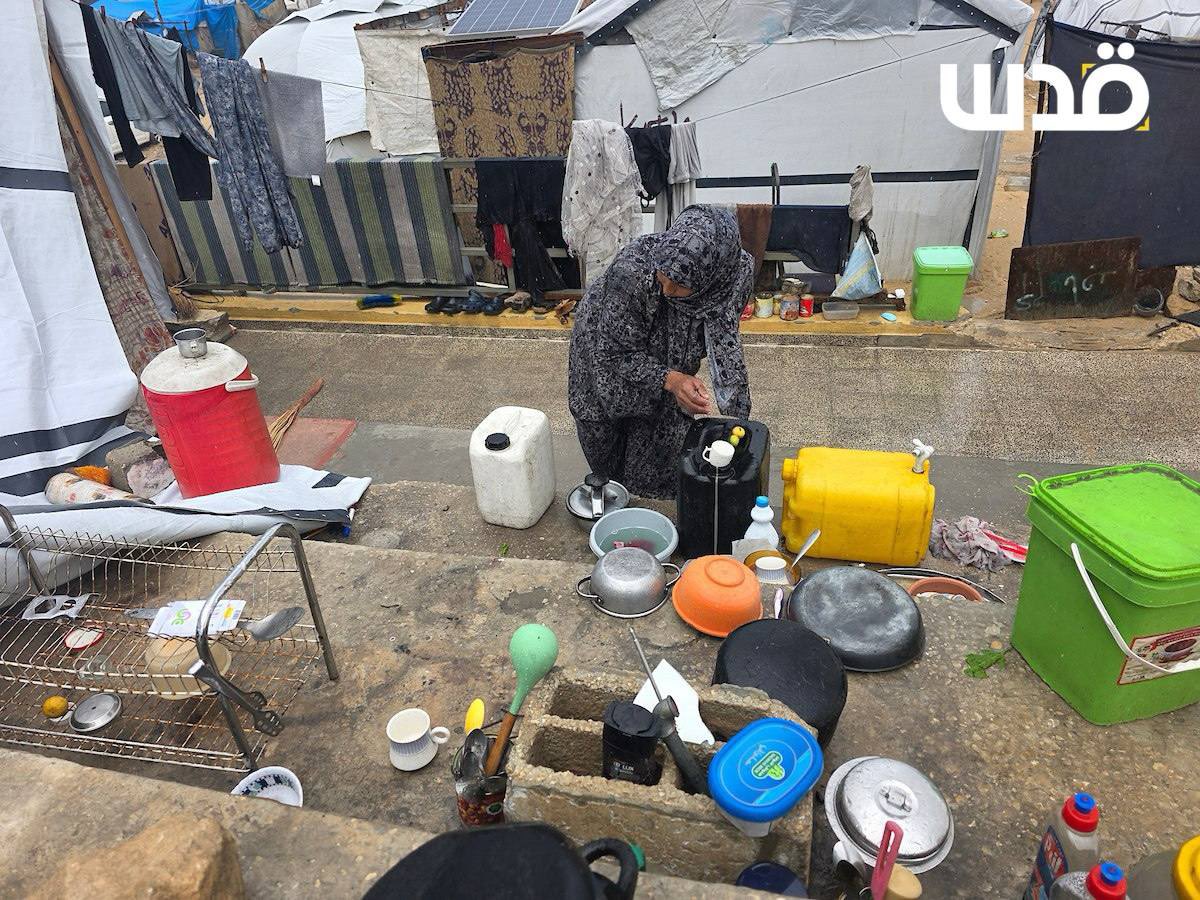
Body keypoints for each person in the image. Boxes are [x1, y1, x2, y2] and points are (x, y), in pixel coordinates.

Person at [568, 205, 754, 499]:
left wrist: (739, 418)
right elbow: (615, 352)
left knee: (662, 449)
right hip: (606, 350)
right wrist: (672, 380)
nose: (666, 289)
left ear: (710, 281)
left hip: (670, 356)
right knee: (603, 439)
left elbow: (723, 328)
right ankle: (616, 507)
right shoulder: (631, 272)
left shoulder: (734, 272)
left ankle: (656, 509)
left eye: (679, 284)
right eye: (663, 275)